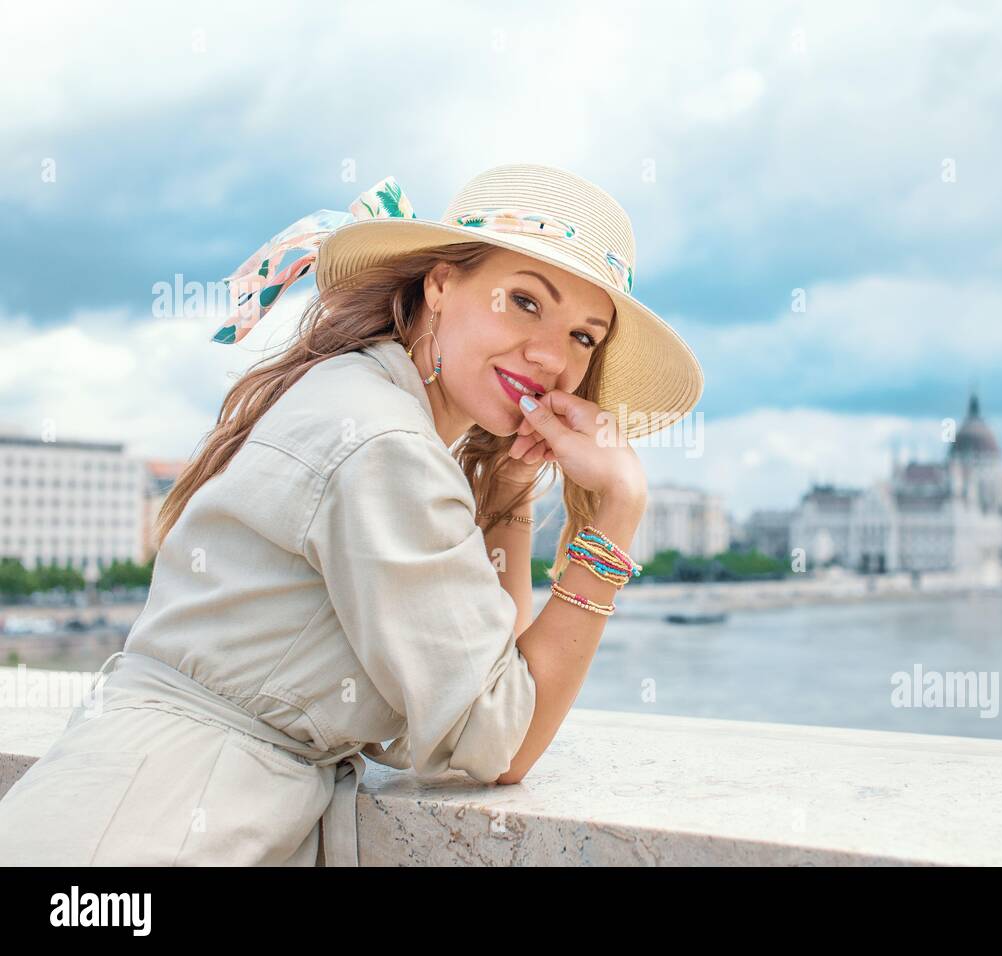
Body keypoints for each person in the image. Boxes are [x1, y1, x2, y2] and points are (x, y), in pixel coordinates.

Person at [0, 163, 704, 865]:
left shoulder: (362, 397)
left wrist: (511, 484)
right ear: (440, 283)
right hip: (153, 834)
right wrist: (614, 516)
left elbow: (493, 671)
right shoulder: (386, 442)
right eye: (523, 301)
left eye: (584, 336)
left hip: (137, 802)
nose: (552, 355)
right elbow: (502, 739)